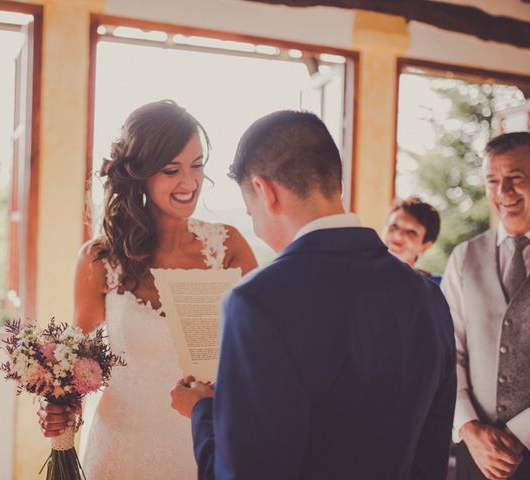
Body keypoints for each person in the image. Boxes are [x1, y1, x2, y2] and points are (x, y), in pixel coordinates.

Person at [170, 110, 457, 479]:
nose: (256, 229)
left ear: (265, 191)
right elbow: (431, 454)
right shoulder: (427, 297)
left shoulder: (256, 302)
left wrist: (202, 412)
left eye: (251, 213)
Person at [37, 100, 257, 479]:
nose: (189, 182)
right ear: (140, 174)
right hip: (122, 449)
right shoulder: (99, 259)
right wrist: (59, 408)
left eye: (197, 164)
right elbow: (78, 370)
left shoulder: (229, 247)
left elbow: (262, 347)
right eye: (172, 169)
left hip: (202, 444)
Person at [441, 131, 530, 480]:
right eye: (493, 181)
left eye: (516, 179)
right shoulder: (464, 257)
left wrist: (517, 434)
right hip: (475, 456)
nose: (502, 193)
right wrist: (468, 427)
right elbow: (449, 352)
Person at [382, 196, 441, 282]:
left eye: (411, 232)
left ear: (425, 246)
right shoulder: (360, 274)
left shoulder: (438, 288)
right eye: (394, 226)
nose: (398, 235)